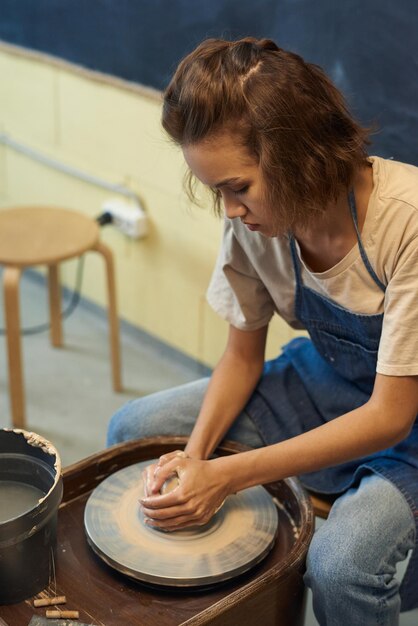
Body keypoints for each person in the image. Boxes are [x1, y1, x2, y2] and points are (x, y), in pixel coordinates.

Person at [107, 37, 418, 625]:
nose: (229, 209)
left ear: (302, 155)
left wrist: (224, 476)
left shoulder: (408, 224)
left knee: (342, 566)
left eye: (238, 187)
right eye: (217, 189)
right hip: (328, 385)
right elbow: (241, 358)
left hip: (407, 419)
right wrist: (192, 461)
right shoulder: (257, 224)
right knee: (136, 431)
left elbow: (390, 415)